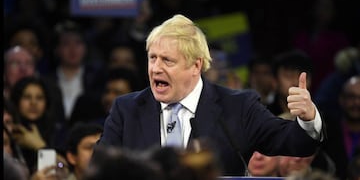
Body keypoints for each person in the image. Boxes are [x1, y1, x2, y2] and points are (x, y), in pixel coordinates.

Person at [96, 14, 324, 176]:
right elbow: (100, 167)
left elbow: (295, 143)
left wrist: (308, 117)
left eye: (167, 60)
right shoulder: (127, 109)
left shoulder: (238, 107)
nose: (155, 68)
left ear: (196, 65)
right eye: (152, 58)